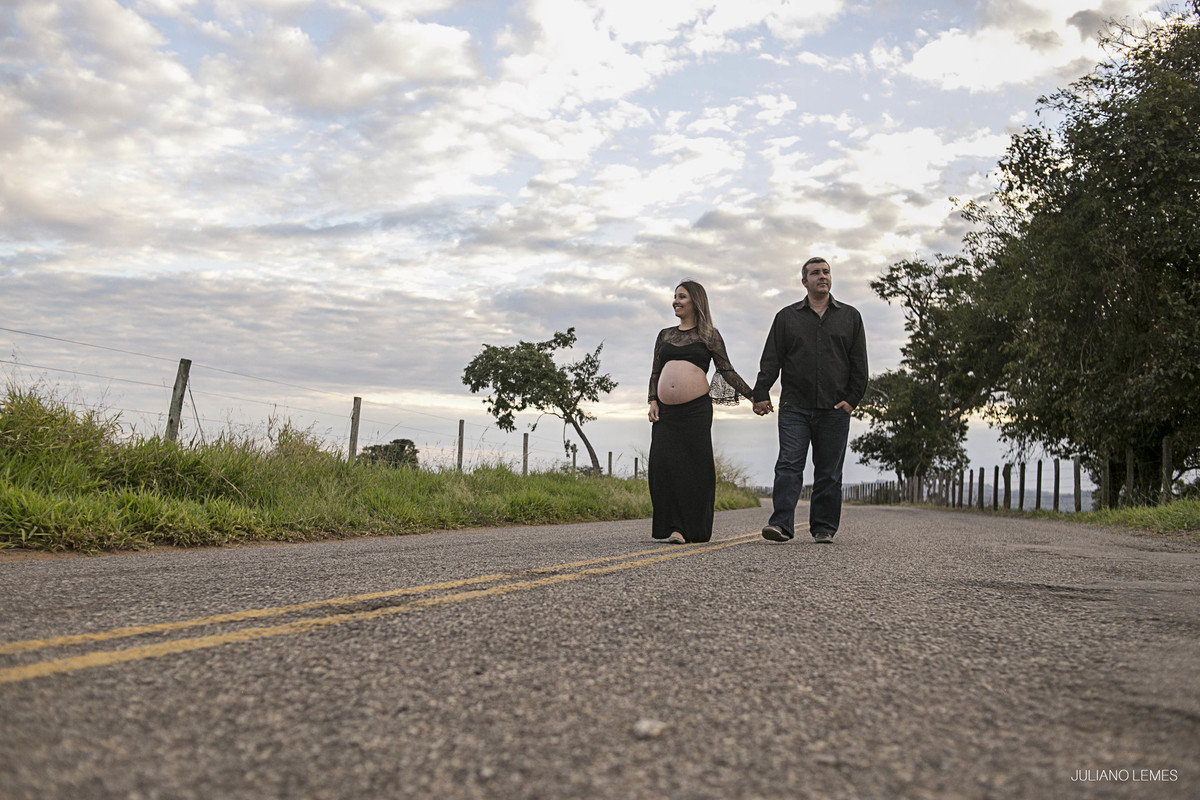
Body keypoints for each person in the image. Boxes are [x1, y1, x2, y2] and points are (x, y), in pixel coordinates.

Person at [752, 257, 868, 543]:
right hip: (795, 406)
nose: (822, 276)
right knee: (790, 464)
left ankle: (824, 528)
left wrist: (852, 400)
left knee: (829, 471)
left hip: (834, 408)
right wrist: (761, 392)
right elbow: (771, 359)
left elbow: (860, 365)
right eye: (815, 273)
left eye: (826, 272)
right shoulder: (787, 317)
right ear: (804, 282)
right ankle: (780, 525)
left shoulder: (850, 317)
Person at [648, 280, 756, 544]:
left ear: (695, 301)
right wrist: (652, 400)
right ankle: (671, 524)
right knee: (661, 467)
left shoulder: (708, 335)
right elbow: (655, 371)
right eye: (674, 296)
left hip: (695, 411)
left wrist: (754, 396)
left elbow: (726, 370)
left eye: (682, 296)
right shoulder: (664, 335)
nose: (676, 300)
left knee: (693, 469)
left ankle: (686, 528)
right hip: (667, 414)